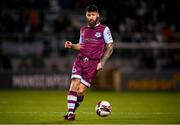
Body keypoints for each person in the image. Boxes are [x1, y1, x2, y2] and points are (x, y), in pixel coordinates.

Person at [64, 4, 114, 121]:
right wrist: (72, 45)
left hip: (93, 65)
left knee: (80, 92)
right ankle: (70, 114)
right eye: (89, 15)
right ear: (86, 16)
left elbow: (110, 47)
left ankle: (72, 110)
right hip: (80, 61)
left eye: (93, 15)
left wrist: (102, 62)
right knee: (74, 83)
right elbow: (81, 46)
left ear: (98, 15)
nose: (91, 17)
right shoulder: (83, 29)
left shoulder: (104, 29)